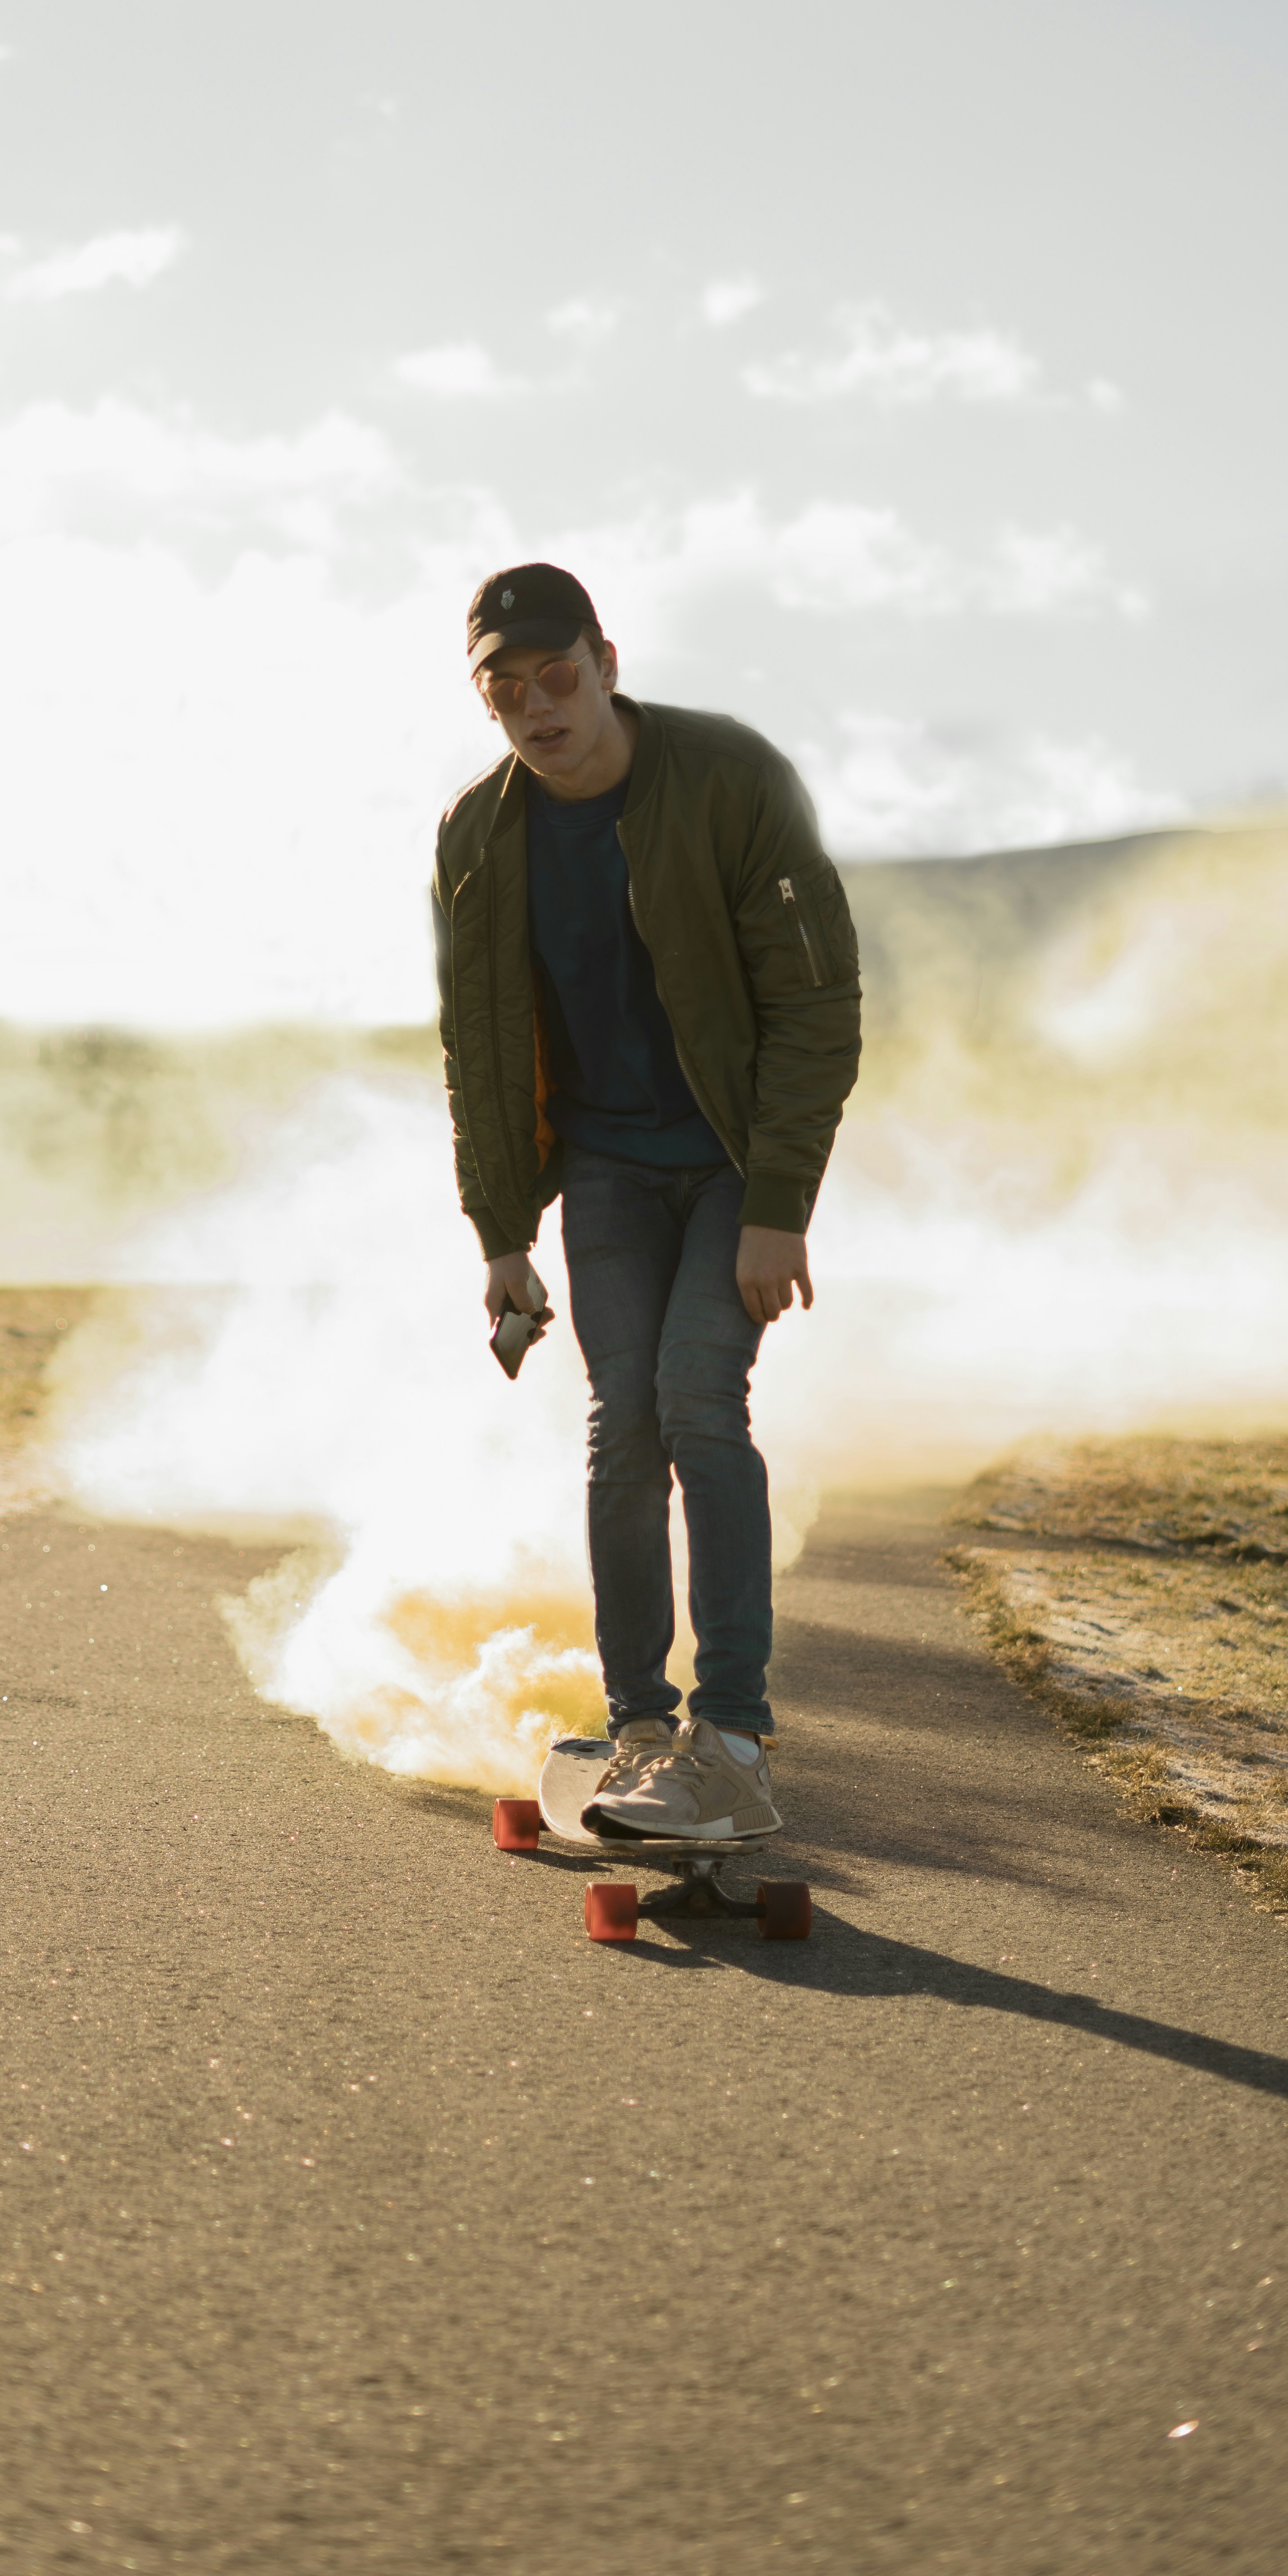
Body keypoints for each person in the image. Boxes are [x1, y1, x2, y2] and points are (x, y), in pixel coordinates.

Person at [431, 560, 863, 1840]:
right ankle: (640, 1731)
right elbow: (484, 1047)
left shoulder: (728, 779)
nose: (535, 705)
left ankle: (732, 1736)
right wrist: (502, 1234)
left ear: (606, 662)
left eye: (556, 675)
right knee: (624, 1430)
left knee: (695, 1402)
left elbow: (815, 1001)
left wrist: (782, 1201)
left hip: (732, 1159)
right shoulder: (480, 834)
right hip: (609, 1171)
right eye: (503, 687)